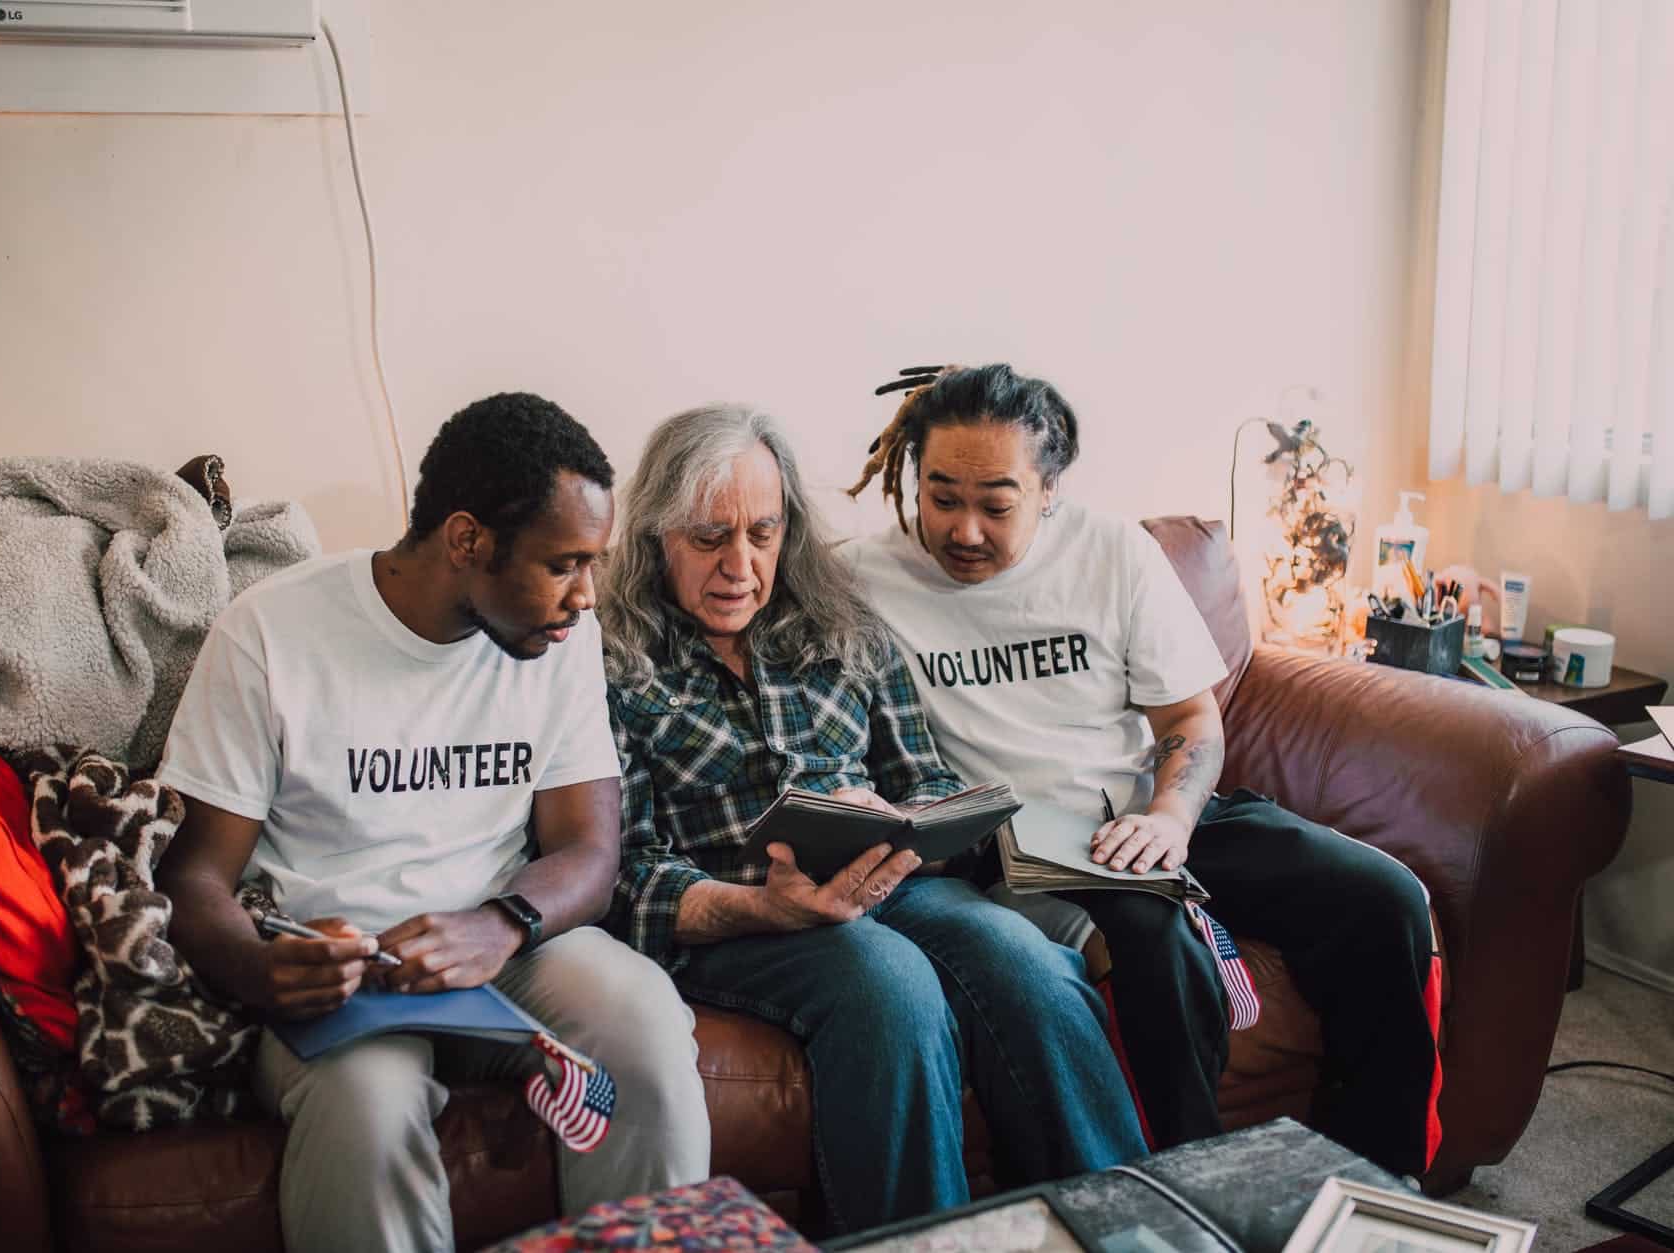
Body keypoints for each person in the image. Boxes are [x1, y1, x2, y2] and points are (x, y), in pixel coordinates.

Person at [842, 363, 1444, 1176]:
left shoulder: (1115, 552)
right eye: (942, 496)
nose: (965, 529)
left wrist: (1169, 818)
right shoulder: (862, 580)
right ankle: (1187, 1203)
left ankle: (1381, 1185)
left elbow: (1191, 718)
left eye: (996, 503)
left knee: (1384, 898)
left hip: (1154, 810)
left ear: (1049, 490)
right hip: (1028, 849)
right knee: (1154, 953)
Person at [156, 393, 711, 1253]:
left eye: (591, 564)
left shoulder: (559, 641)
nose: (585, 596)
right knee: (366, 1111)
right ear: (466, 541)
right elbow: (193, 880)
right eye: (563, 563)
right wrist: (266, 969)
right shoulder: (272, 634)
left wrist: (500, 925)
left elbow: (588, 850)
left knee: (643, 1021)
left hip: (506, 949)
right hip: (346, 978)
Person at [598, 403, 1146, 1235]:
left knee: (1026, 961)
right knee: (889, 985)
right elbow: (623, 870)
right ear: (655, 537)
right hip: (740, 913)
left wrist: (897, 822)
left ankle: (1121, 1228)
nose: (741, 565)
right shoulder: (612, 661)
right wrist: (762, 907)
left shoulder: (841, 623)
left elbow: (922, 775)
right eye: (709, 538)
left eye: (763, 532)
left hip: (887, 882)